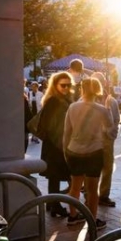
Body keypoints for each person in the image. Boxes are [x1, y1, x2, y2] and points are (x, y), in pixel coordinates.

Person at [63, 78, 114, 230]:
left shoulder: (72, 107)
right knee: (92, 190)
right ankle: (92, 220)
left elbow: (67, 132)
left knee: (75, 186)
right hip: (93, 151)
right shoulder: (102, 109)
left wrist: (66, 151)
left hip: (74, 151)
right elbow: (110, 128)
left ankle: (72, 216)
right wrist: (107, 108)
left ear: (82, 89)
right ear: (98, 89)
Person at [38, 72, 73, 218]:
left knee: (55, 176)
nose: (66, 88)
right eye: (63, 85)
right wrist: (60, 143)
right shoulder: (54, 101)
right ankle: (55, 205)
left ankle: (51, 203)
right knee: (55, 176)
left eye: (68, 85)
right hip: (55, 144)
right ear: (55, 85)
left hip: (57, 143)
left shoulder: (62, 99)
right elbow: (48, 126)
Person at [90, 72, 120, 208]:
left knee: (107, 168)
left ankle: (103, 195)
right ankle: (90, 195)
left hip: (106, 140)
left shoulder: (110, 100)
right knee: (92, 168)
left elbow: (117, 118)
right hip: (93, 140)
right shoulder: (88, 100)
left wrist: (111, 134)